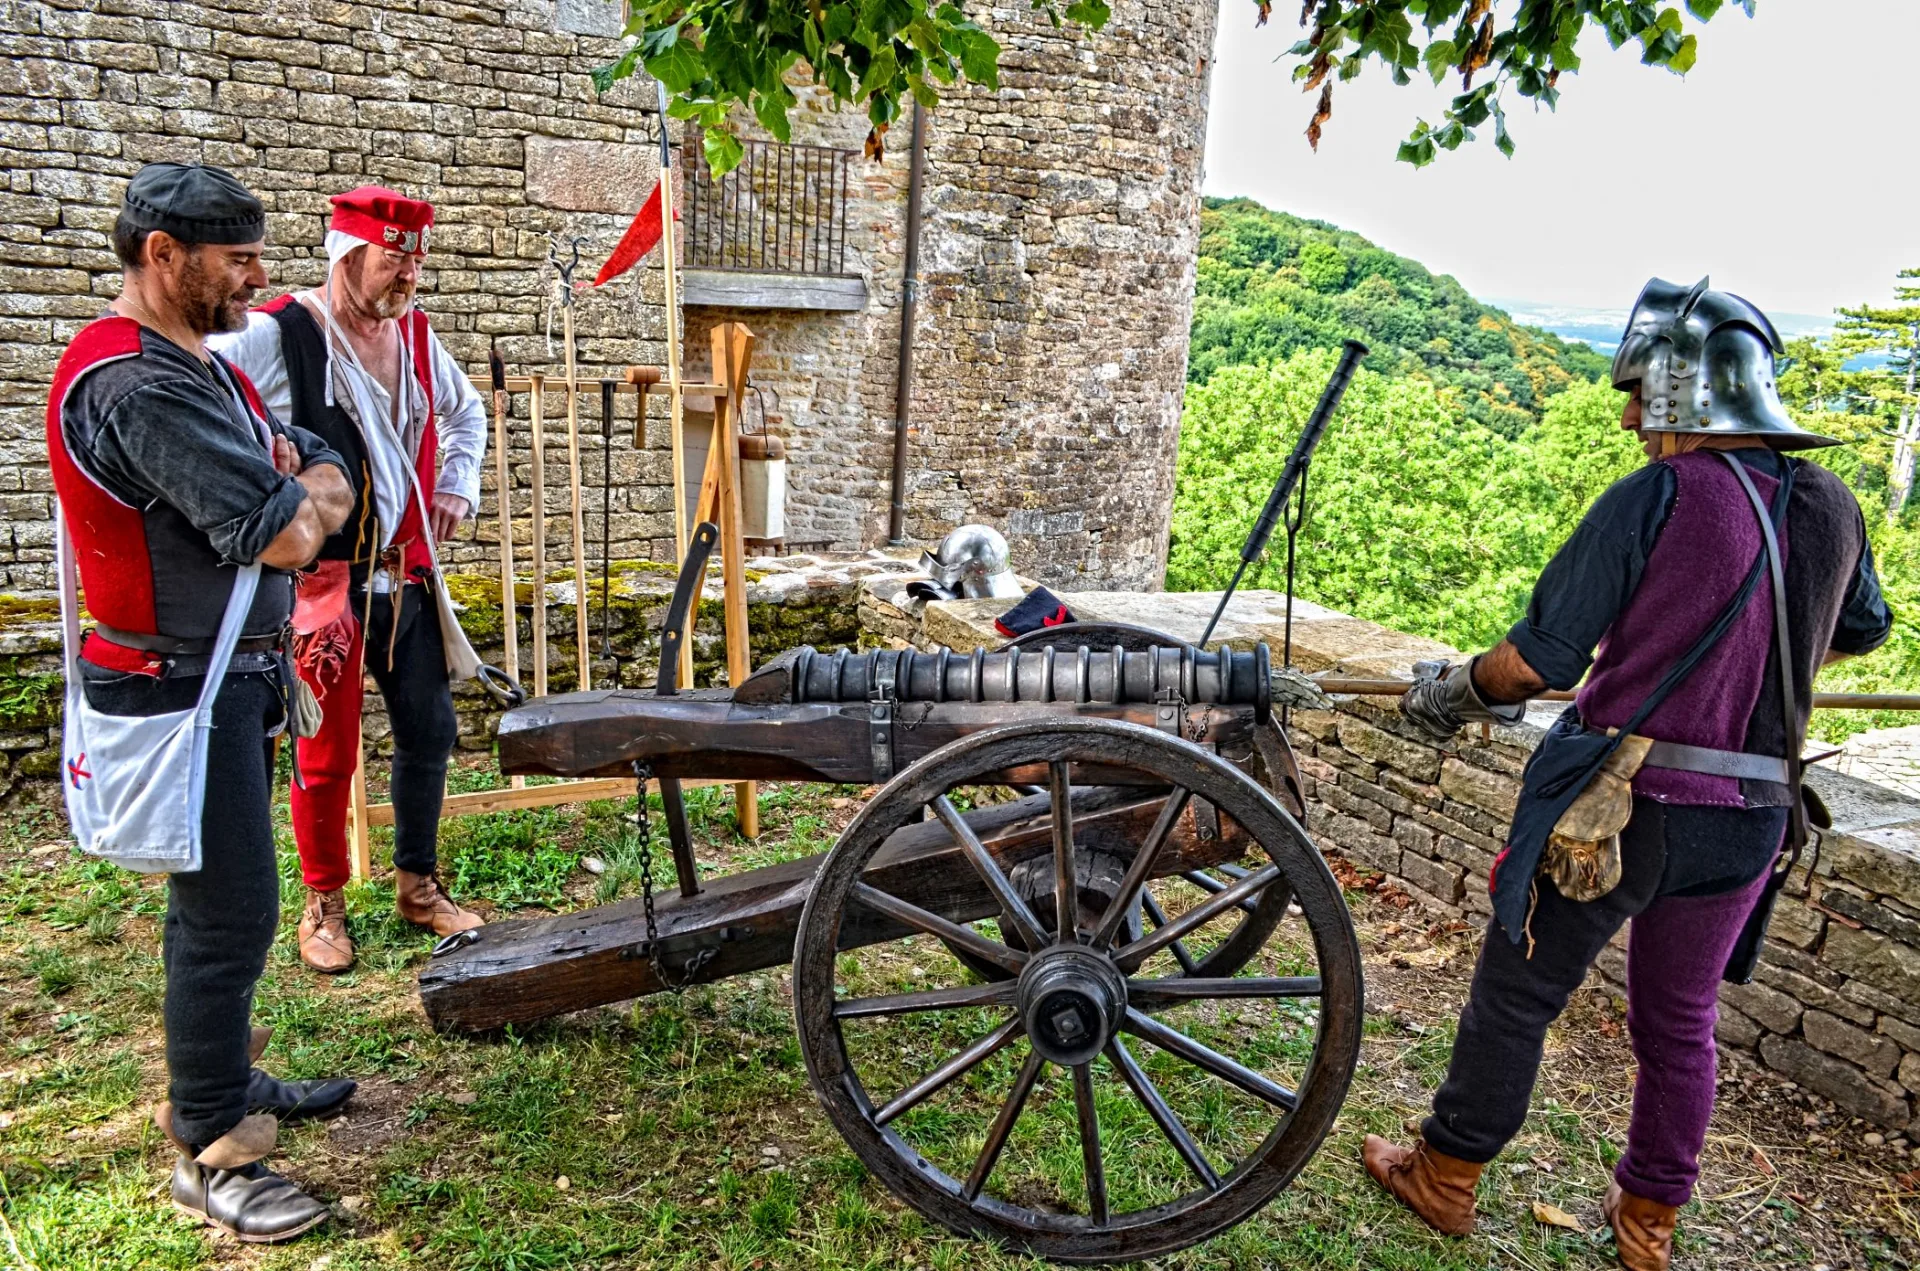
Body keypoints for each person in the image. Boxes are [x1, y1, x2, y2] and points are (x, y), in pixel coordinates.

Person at [1363, 278, 1893, 1271]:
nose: (1628, 418)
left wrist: (1452, 690)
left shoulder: (1662, 492)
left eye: (1640, 396)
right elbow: (1860, 629)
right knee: (1682, 1020)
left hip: (1623, 808)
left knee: (1518, 995)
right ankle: (1649, 1216)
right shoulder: (1833, 504)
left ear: (1687, 398)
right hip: (1752, 815)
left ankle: (1445, 1174)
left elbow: (1541, 659)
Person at [48, 162, 360, 1241]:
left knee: (222, 905)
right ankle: (213, 1143)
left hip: (226, 674)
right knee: (229, 913)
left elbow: (319, 461)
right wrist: (301, 493)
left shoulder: (197, 363)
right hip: (180, 681)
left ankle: (218, 1078)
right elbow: (282, 526)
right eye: (235, 258)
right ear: (162, 255)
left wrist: (302, 477)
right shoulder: (140, 386)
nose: (257, 277)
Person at [212, 187, 489, 972]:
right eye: (393, 260)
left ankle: (416, 883)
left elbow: (465, 415)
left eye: (414, 262)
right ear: (346, 255)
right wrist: (259, 458)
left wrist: (455, 487)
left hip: (402, 580)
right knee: (322, 749)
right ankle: (324, 902)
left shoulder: (417, 337)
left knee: (430, 728)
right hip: (320, 586)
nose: (408, 277)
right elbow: (205, 398)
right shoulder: (279, 333)